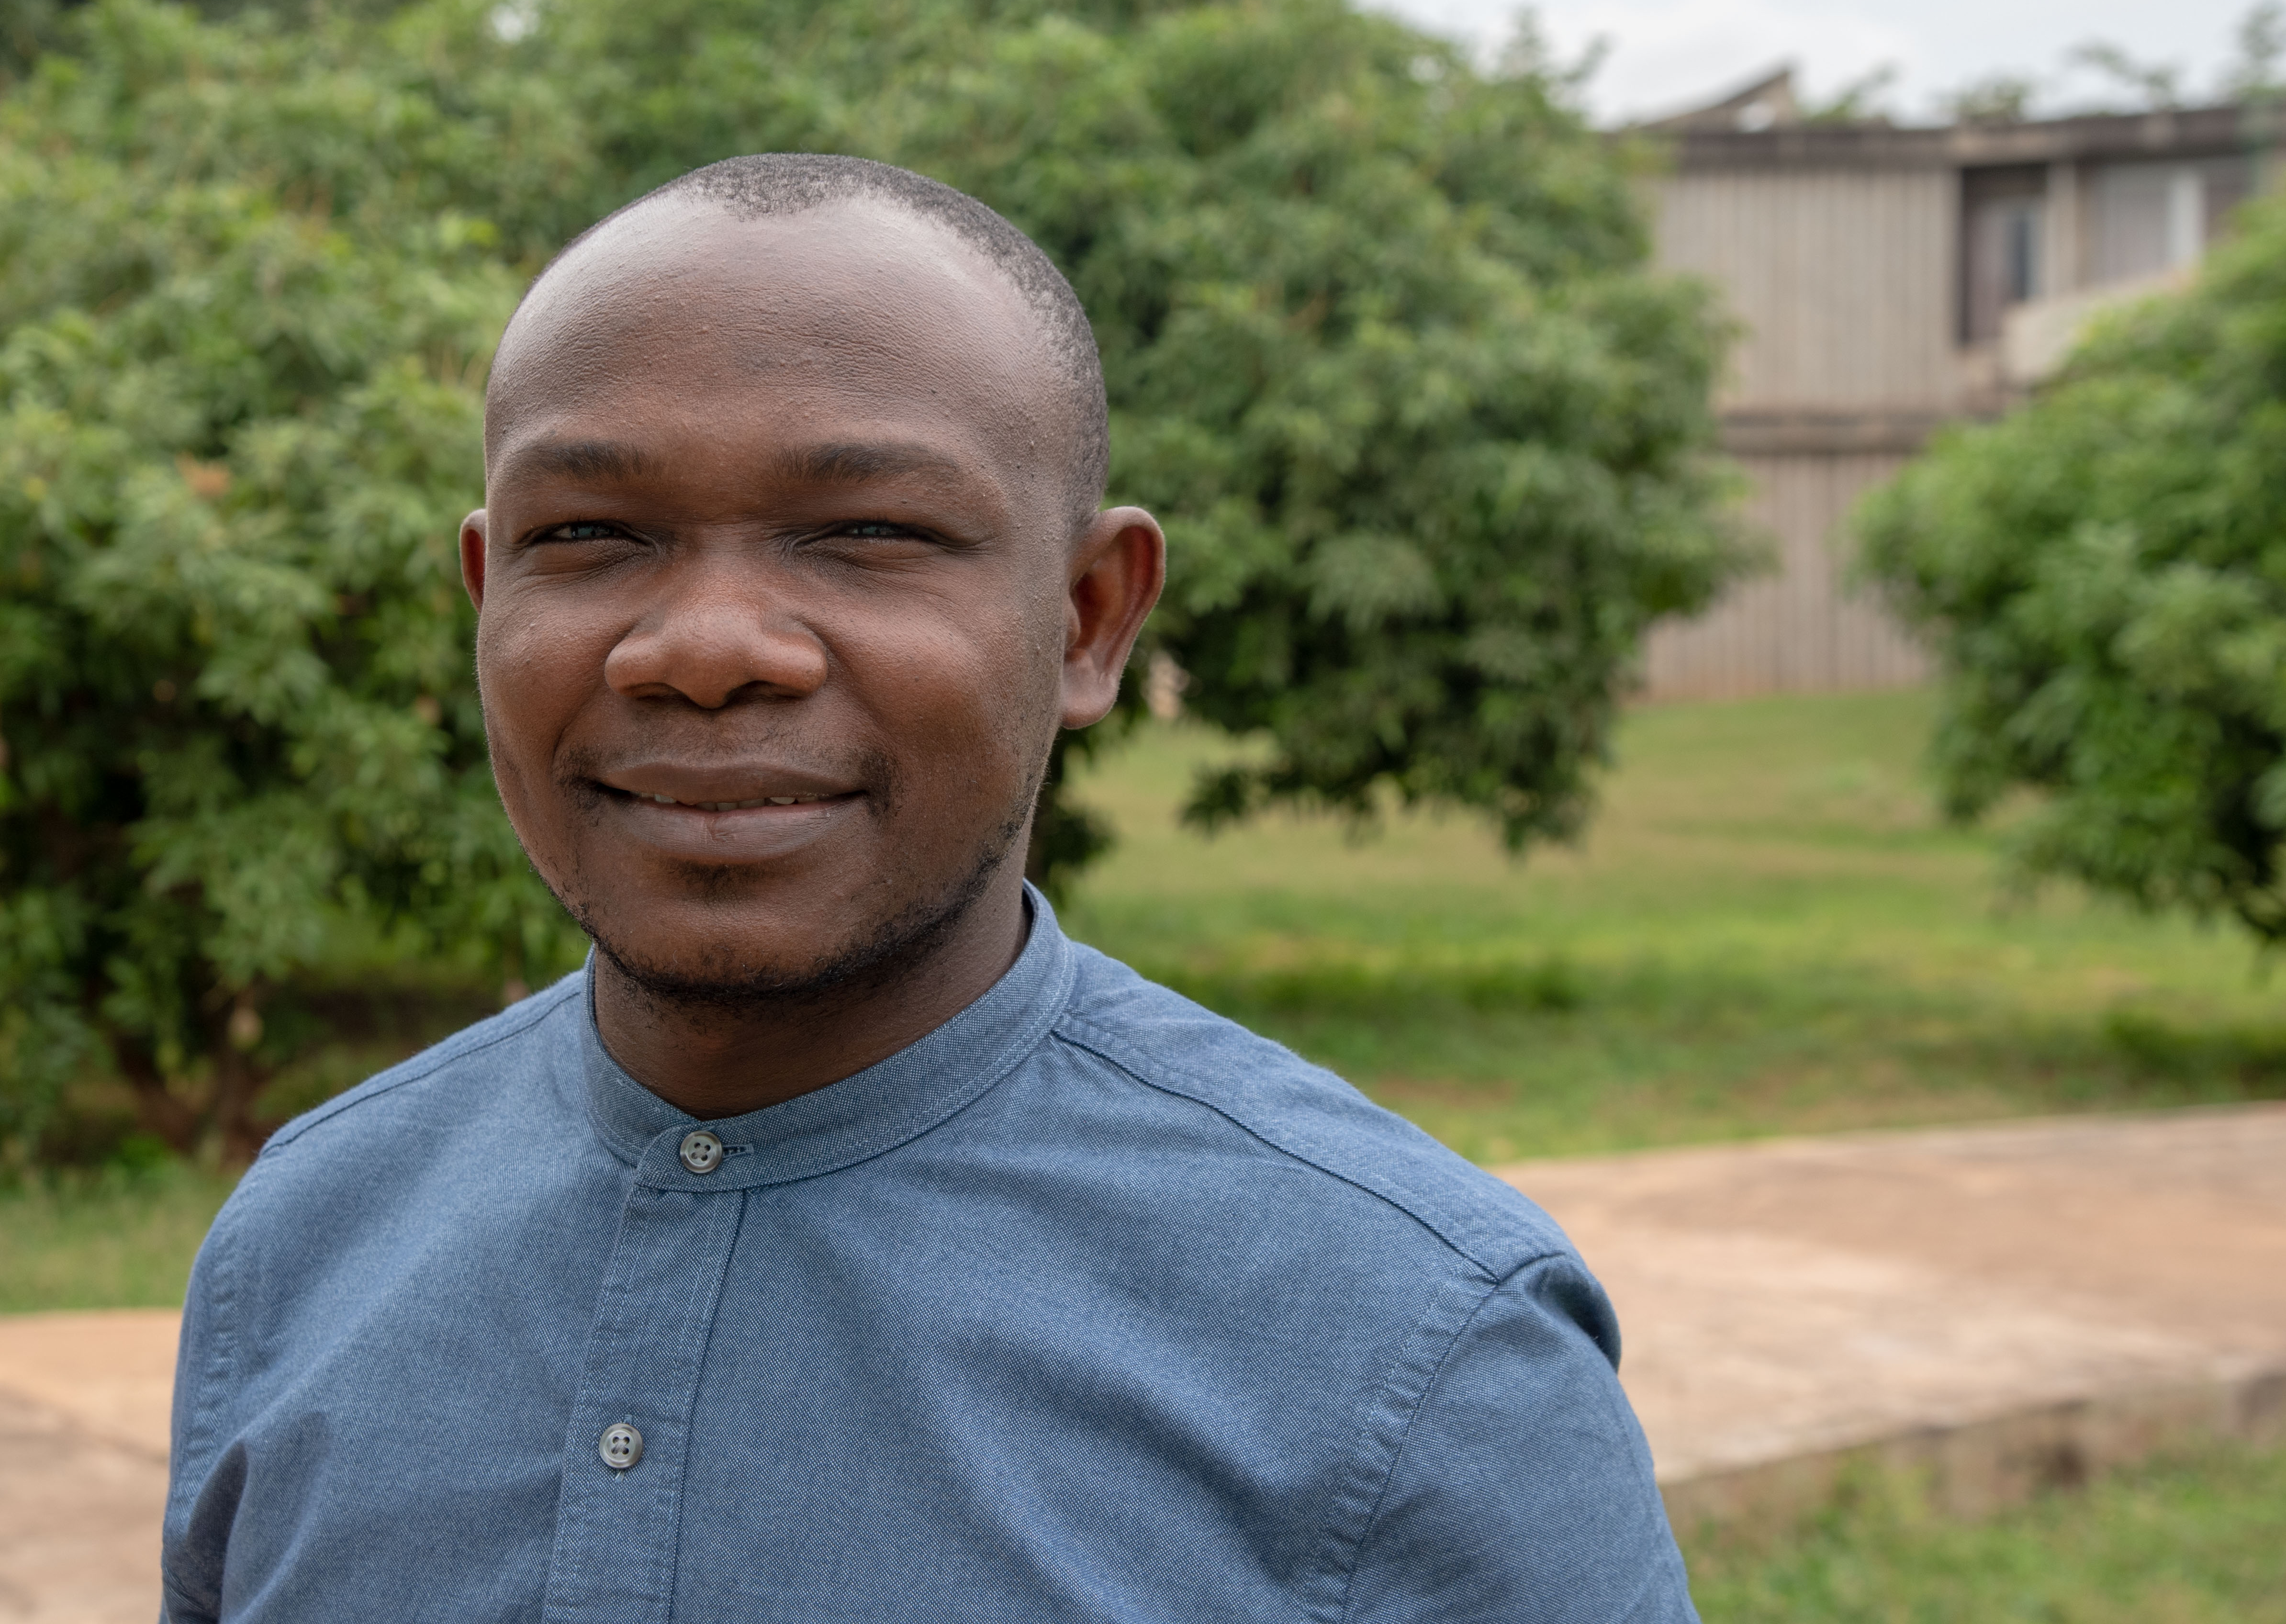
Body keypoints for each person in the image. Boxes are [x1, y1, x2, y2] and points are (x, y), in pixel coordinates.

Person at [159, 154, 1697, 1623]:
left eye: (870, 535)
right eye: (594, 537)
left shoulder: (1416, 1354)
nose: (705, 649)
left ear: (1090, 618)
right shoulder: (306, 1235)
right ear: (493, 599)